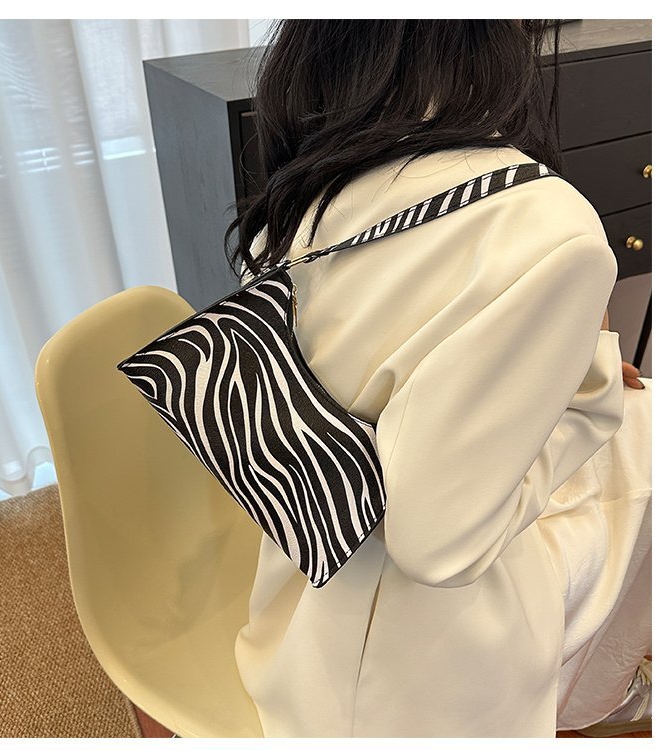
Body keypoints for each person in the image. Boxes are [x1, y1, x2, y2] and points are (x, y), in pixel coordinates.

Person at [224, 20, 651, 738]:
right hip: (423, 673)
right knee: (645, 452)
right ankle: (616, 684)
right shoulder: (545, 222)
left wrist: (558, 369)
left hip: (303, 594)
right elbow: (440, 547)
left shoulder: (316, 169)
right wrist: (588, 389)